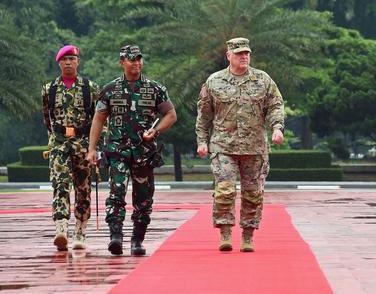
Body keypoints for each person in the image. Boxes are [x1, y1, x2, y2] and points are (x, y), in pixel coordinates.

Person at [196, 37, 285, 253]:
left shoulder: (263, 80)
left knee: (253, 193)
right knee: (225, 190)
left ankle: (248, 235)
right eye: (239, 54)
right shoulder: (214, 81)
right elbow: (204, 115)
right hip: (223, 146)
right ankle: (225, 232)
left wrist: (277, 127)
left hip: (255, 148)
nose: (244, 56)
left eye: (247, 53)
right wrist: (201, 141)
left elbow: (275, 106)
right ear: (229, 56)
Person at [87, 45, 177, 256]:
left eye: (138, 59)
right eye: (131, 59)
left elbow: (171, 115)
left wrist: (155, 131)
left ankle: (137, 239)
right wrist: (92, 149)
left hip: (144, 152)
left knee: (144, 198)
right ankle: (115, 237)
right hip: (117, 150)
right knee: (116, 192)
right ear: (122, 62)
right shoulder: (110, 89)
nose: (136, 62)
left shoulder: (155, 89)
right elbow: (99, 119)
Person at [42, 45, 100, 251]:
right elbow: (47, 119)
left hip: (83, 143)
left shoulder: (90, 88)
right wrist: (54, 139)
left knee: (83, 189)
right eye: (64, 59)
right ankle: (61, 230)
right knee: (60, 185)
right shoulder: (49, 89)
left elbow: (99, 119)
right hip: (59, 143)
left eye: (71, 59)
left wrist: (95, 147)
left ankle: (80, 233)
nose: (68, 62)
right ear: (58, 62)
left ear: (78, 62)